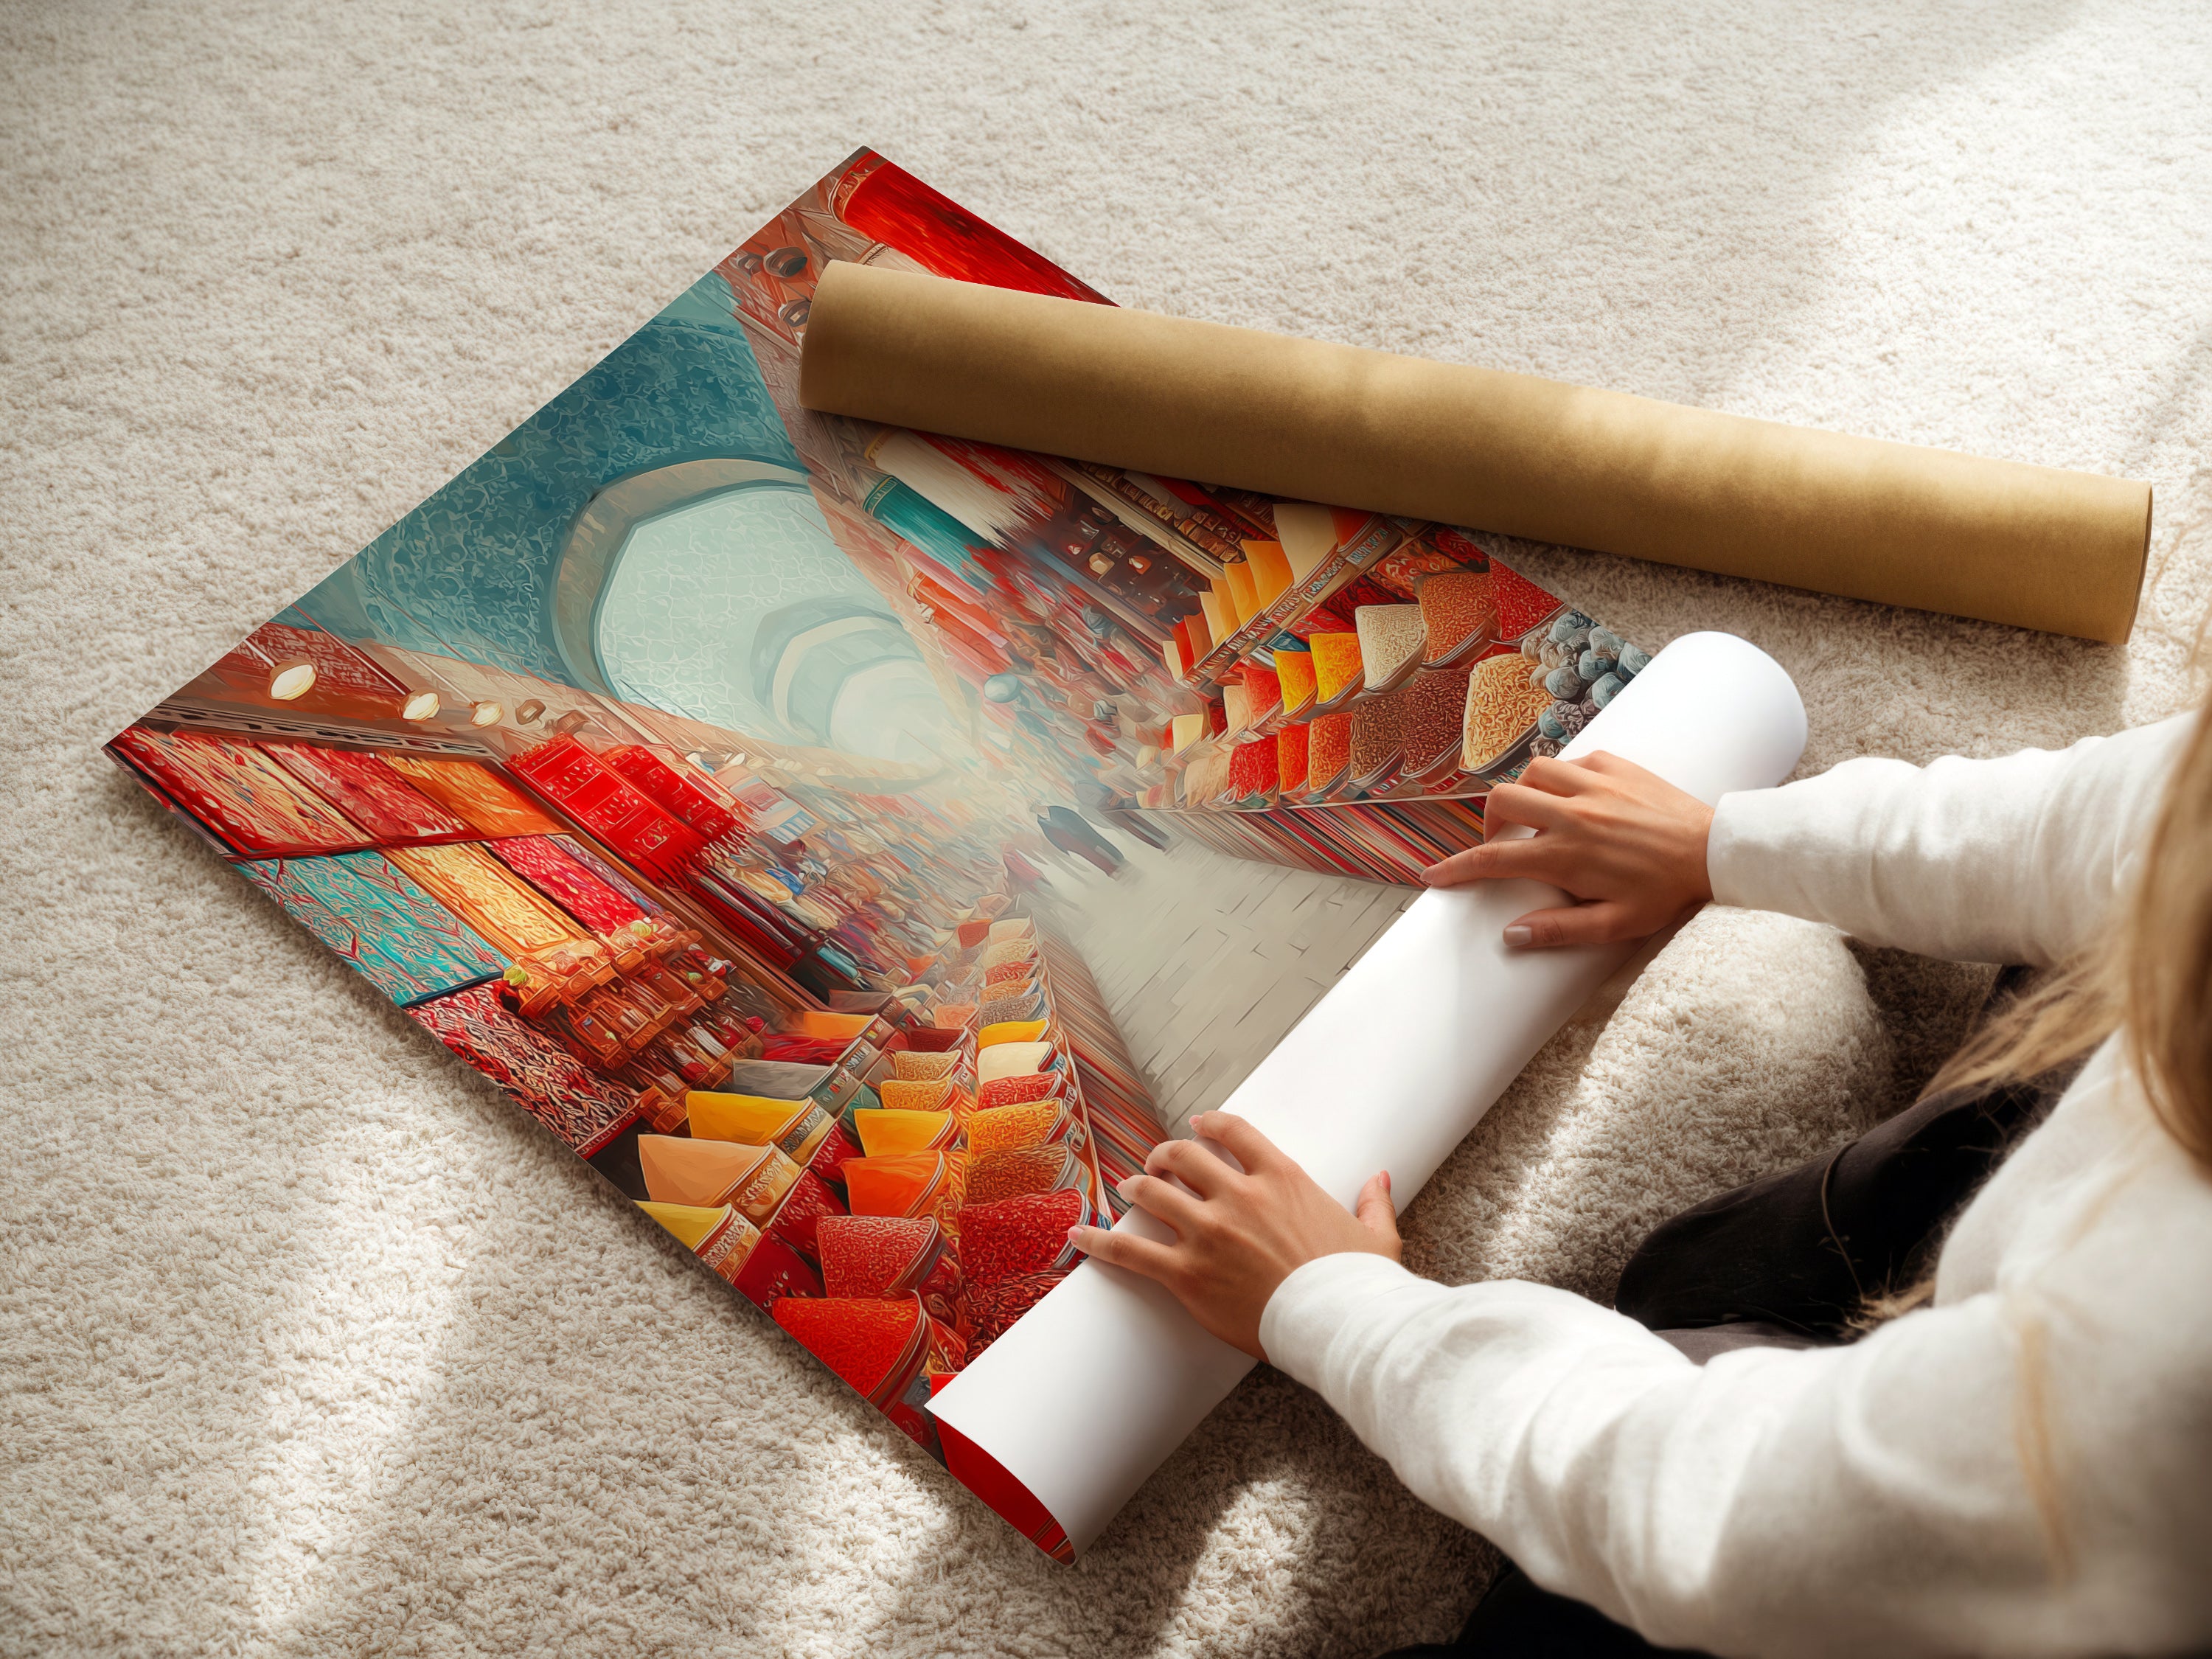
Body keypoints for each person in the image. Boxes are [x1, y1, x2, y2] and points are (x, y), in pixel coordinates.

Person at [1068, 714, 2212, 1656]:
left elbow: (1718, 1511)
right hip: (2056, 1344)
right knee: (1695, 1274)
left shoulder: (2158, 1372)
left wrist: (1336, 1306)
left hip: (2048, 1543)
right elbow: (2113, 819)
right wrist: (1720, 841)